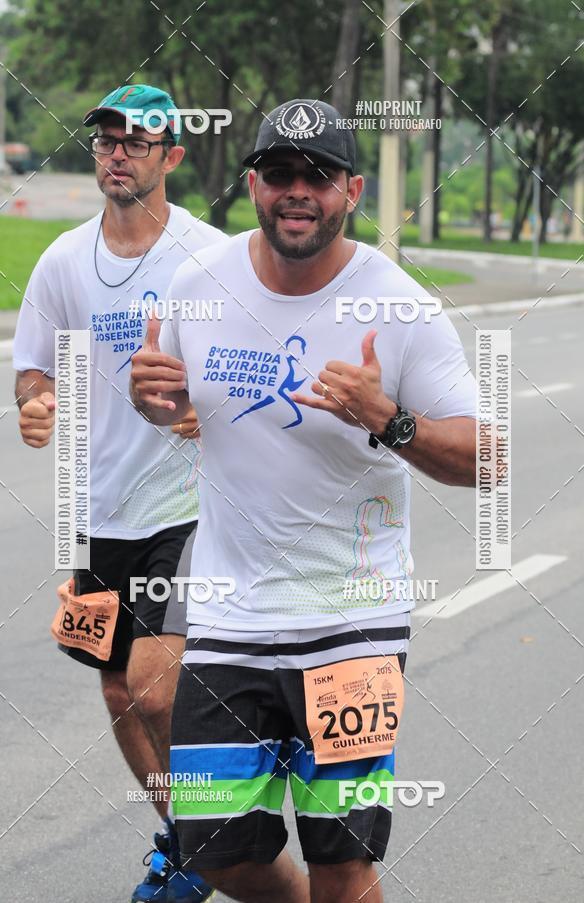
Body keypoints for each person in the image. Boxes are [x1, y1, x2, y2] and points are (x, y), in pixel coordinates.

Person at [131, 98, 477, 902]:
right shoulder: (197, 285)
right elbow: (175, 405)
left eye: (317, 176)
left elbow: (483, 456)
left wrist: (386, 417)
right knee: (215, 849)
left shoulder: (398, 305)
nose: (297, 190)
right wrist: (151, 399)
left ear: (352, 189)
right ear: (252, 182)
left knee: (342, 860)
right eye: (279, 173)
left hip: (352, 621)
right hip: (229, 619)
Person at [13, 84, 221, 903]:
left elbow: (257, 370)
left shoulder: (210, 257)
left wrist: (209, 410)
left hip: (188, 509)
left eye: (137, 141)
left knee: (153, 685)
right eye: (105, 140)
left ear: (171, 155)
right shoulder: (64, 259)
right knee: (113, 689)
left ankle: (211, 835)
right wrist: (36, 403)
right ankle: (184, 835)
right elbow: (34, 365)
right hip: (95, 516)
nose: (118, 153)